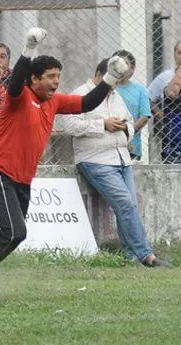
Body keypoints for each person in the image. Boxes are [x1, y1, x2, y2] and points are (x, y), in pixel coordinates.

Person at [0, 27, 130, 302]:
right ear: (34, 79)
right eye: (50, 77)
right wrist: (28, 49)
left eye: (58, 77)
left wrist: (111, 78)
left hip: (22, 181)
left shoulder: (53, 102)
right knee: (11, 230)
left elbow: (88, 102)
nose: (56, 82)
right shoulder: (19, 97)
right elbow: (15, 81)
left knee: (16, 235)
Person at [55, 58, 172, 268]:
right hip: (95, 159)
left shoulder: (116, 95)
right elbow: (69, 125)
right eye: (114, 80)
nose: (116, 86)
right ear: (101, 76)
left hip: (121, 158)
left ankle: (129, 254)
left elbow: (130, 121)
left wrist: (124, 129)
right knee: (125, 203)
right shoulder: (80, 93)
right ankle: (146, 256)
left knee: (130, 206)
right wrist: (103, 125)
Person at [111, 50, 151, 161]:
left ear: (132, 69)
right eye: (117, 63)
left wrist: (127, 132)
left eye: (125, 64)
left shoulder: (140, 90)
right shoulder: (106, 88)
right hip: (109, 146)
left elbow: (144, 116)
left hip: (132, 147)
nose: (120, 67)